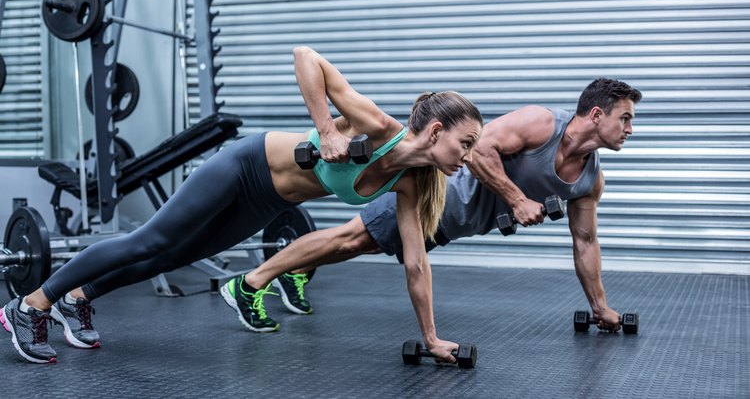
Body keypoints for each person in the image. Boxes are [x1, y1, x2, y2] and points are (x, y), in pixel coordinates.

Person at [0, 46, 483, 364]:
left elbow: (417, 265)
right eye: (466, 143)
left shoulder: (412, 185)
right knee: (152, 239)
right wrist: (329, 129)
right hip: (244, 165)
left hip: (267, 201)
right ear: (437, 132)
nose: (468, 156)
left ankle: (78, 298)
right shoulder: (377, 125)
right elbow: (305, 56)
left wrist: (433, 337)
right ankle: (29, 305)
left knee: (173, 256)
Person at [226, 78, 642, 343]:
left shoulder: (590, 180)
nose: (630, 128)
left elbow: (586, 241)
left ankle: (292, 273)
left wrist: (600, 305)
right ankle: (250, 282)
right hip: (432, 195)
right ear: (595, 114)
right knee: (351, 236)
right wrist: (516, 199)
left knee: (362, 244)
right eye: (624, 118)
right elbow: (478, 149)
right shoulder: (541, 124)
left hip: (453, 225)